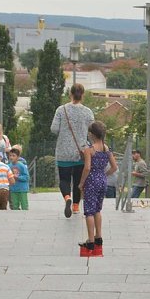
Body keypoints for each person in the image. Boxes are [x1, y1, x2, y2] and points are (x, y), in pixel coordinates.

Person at [51, 83, 94, 217]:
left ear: (70, 94)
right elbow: (93, 131)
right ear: (83, 95)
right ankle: (76, 207)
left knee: (64, 180)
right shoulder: (88, 112)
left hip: (63, 152)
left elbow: (54, 129)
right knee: (78, 181)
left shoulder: (61, 110)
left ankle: (67, 198)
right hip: (81, 153)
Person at [79, 121, 118, 257]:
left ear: (91, 134)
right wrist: (103, 175)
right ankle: (98, 238)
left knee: (89, 211)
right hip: (102, 181)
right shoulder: (106, 148)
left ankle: (90, 241)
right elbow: (114, 167)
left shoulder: (89, 150)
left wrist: (81, 183)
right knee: (97, 210)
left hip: (91, 181)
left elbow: (87, 168)